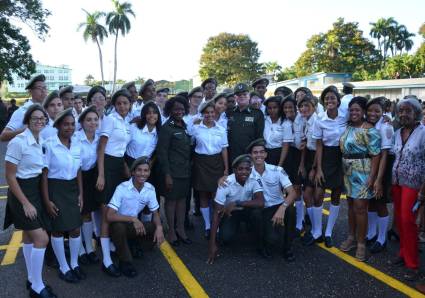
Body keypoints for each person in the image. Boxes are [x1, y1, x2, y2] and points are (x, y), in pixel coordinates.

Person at [3, 104, 56, 298]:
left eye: (42, 119)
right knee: (42, 238)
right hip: (21, 193)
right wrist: (25, 203)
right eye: (35, 118)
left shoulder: (40, 138)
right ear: (27, 120)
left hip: (34, 190)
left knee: (28, 236)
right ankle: (37, 286)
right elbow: (10, 176)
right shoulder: (19, 141)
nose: (39, 121)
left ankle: (32, 279)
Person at [41, 108, 84, 283]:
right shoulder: (49, 144)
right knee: (58, 229)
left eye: (72, 124)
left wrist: (81, 193)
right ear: (58, 125)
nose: (69, 127)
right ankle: (63, 266)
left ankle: (74, 263)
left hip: (72, 188)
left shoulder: (77, 144)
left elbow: (79, 170)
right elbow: (43, 174)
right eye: (65, 124)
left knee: (75, 228)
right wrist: (47, 201)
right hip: (55, 189)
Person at [338, 97, 381, 261]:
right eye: (351, 110)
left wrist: (372, 177)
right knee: (350, 205)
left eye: (357, 110)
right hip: (348, 171)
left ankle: (361, 243)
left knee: (360, 208)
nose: (354, 113)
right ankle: (351, 237)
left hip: (363, 170)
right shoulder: (348, 126)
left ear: (363, 112)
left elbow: (376, 155)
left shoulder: (370, 130)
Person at [106, 157, 165, 277]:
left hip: (133, 227)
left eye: (146, 170)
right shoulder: (122, 188)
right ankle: (125, 262)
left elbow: (155, 213)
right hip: (119, 225)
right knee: (119, 228)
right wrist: (133, 219)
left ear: (149, 172)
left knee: (154, 227)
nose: (142, 174)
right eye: (139, 170)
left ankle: (130, 245)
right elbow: (109, 216)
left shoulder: (150, 189)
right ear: (133, 172)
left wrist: (159, 227)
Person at [96, 89, 132, 277]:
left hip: (118, 166)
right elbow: (101, 147)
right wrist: (101, 174)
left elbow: (121, 149)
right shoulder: (110, 119)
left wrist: (125, 167)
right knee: (106, 214)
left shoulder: (126, 122)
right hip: (107, 166)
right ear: (114, 105)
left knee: (116, 210)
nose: (122, 106)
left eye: (125, 103)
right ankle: (106, 260)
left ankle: (114, 248)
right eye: (119, 103)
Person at [389, 97, 425, 281]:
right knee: (400, 220)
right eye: (401, 111)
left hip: (414, 184)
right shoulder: (398, 132)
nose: (403, 114)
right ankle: (403, 252)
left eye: (408, 111)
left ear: (416, 113)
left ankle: (413, 264)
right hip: (397, 182)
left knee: (408, 221)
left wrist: (423, 191)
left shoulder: (423, 133)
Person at [308, 86, 347, 247]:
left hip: (341, 158)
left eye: (332, 98)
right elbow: (319, 145)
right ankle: (317, 231)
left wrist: (385, 119)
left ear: (338, 101)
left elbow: (362, 118)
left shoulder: (346, 116)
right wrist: (318, 168)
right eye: (326, 98)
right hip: (325, 158)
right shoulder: (320, 119)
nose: (329, 101)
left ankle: (329, 232)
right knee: (318, 196)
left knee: (336, 197)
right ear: (323, 102)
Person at [207, 154, 264, 264]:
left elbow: (261, 202)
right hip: (230, 213)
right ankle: (231, 228)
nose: (244, 172)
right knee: (226, 237)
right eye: (240, 169)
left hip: (246, 209)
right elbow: (217, 213)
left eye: (247, 169)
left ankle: (260, 242)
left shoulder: (254, 179)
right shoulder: (226, 183)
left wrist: (237, 202)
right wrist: (212, 244)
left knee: (258, 213)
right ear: (234, 170)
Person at [247, 139, 298, 261]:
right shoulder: (246, 172)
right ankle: (261, 245)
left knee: (291, 209)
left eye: (261, 152)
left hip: (277, 207)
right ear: (250, 155)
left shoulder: (277, 170)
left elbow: (292, 192)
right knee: (256, 215)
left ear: (266, 154)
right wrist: (221, 179)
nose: (258, 155)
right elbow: (230, 180)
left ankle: (288, 248)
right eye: (255, 152)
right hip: (261, 209)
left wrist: (282, 207)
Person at [157, 96, 192, 246]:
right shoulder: (167, 128)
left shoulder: (184, 125)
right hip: (172, 172)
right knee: (171, 202)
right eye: (176, 109)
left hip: (185, 171)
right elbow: (162, 152)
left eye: (182, 109)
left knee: (183, 201)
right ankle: (171, 231)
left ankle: (180, 229)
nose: (179, 111)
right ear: (170, 110)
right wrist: (167, 174)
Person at [192, 100, 229, 239]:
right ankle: (208, 225)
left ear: (215, 113)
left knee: (216, 195)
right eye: (206, 112)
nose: (209, 115)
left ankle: (216, 225)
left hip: (217, 163)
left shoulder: (220, 128)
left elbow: (224, 149)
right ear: (202, 114)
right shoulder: (195, 128)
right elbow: (191, 143)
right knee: (203, 195)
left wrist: (226, 168)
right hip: (201, 163)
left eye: (212, 112)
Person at [365, 97, 395, 253]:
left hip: (383, 166)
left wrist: (378, 180)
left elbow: (384, 155)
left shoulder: (385, 127)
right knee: (371, 201)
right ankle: (371, 233)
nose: (372, 113)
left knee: (380, 202)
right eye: (370, 110)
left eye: (377, 111)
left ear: (383, 112)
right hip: (371, 164)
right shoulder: (368, 125)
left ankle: (382, 239)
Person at [74, 106, 101, 265]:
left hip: (92, 176)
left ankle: (89, 248)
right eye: (89, 120)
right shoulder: (76, 137)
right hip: (76, 176)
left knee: (88, 211)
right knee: (78, 211)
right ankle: (79, 249)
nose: (92, 123)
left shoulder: (99, 137)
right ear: (82, 122)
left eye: (95, 119)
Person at [278, 96, 305, 235]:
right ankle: (289, 216)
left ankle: (300, 222)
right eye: (285, 107)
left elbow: (304, 144)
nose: (288, 110)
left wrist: (301, 163)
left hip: (299, 156)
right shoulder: (285, 122)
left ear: (295, 108)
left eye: (290, 107)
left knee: (297, 189)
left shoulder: (302, 120)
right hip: (289, 156)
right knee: (287, 189)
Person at [226, 83, 264, 166]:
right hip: (231, 156)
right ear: (235, 97)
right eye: (238, 95)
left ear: (249, 96)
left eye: (244, 94)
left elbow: (259, 138)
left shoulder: (257, 113)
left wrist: (256, 157)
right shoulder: (229, 113)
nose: (242, 96)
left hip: (249, 156)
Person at [297, 95, 319, 244]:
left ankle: (317, 230)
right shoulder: (305, 121)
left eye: (307, 106)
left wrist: (314, 168)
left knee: (312, 195)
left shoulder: (317, 121)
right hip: (309, 157)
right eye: (301, 106)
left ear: (314, 107)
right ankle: (314, 226)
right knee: (307, 196)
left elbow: (319, 147)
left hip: (318, 158)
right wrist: (302, 165)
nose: (304, 109)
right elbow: (305, 144)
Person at [1, 74, 48, 142]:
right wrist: (27, 130)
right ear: (30, 91)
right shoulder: (23, 111)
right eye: (39, 88)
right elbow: (4, 136)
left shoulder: (48, 110)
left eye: (44, 88)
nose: (43, 91)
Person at [262, 96, 284, 165]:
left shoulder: (284, 122)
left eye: (275, 107)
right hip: (266, 153)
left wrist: (280, 163)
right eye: (269, 108)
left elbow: (286, 145)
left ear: (279, 108)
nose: (272, 110)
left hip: (279, 153)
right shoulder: (264, 120)